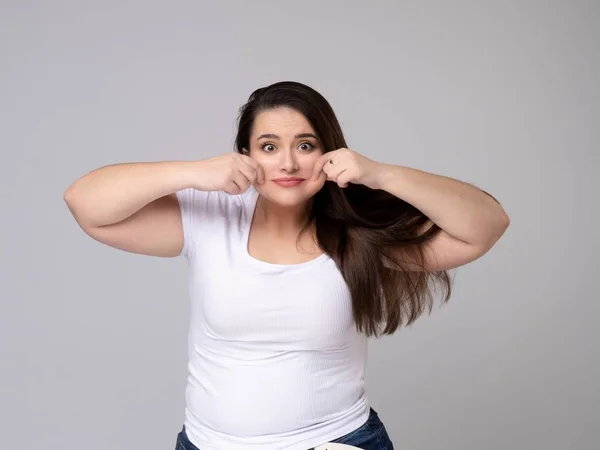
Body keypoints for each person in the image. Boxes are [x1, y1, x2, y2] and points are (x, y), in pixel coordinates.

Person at [63, 81, 510, 450]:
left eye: (306, 145)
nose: (289, 163)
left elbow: (487, 225)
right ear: (245, 154)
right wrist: (194, 172)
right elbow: (85, 203)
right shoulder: (209, 219)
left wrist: (380, 174)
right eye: (269, 146)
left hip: (333, 443)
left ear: (330, 154)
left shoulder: (360, 235)